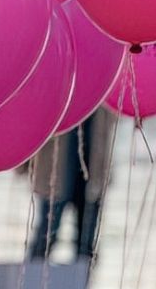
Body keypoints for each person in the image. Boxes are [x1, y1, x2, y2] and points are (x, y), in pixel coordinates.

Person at [29, 107, 112, 262]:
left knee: (86, 248)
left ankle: (83, 284)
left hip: (93, 174)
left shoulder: (105, 88)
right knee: (44, 240)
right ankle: (31, 282)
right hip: (55, 173)